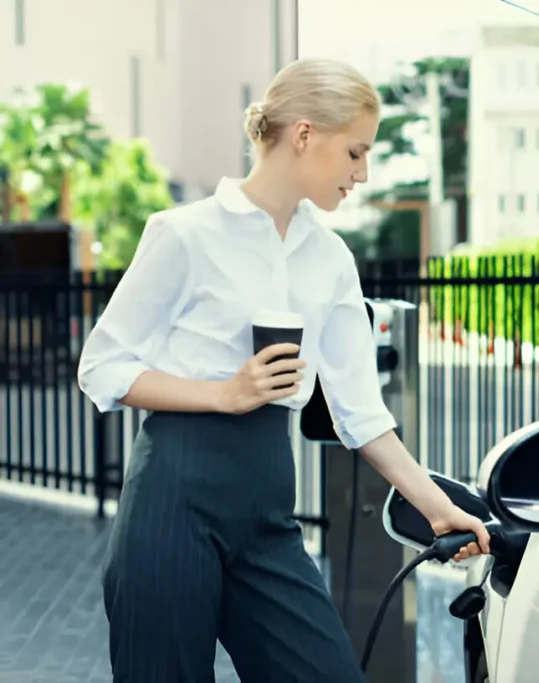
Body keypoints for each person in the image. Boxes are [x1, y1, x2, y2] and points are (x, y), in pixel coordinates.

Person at [77, 58, 490, 682]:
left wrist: (437, 508)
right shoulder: (185, 234)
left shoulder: (329, 258)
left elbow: (361, 413)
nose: (363, 172)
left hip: (267, 511)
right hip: (172, 502)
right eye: (355, 152)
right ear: (304, 135)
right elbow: (101, 366)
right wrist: (225, 394)